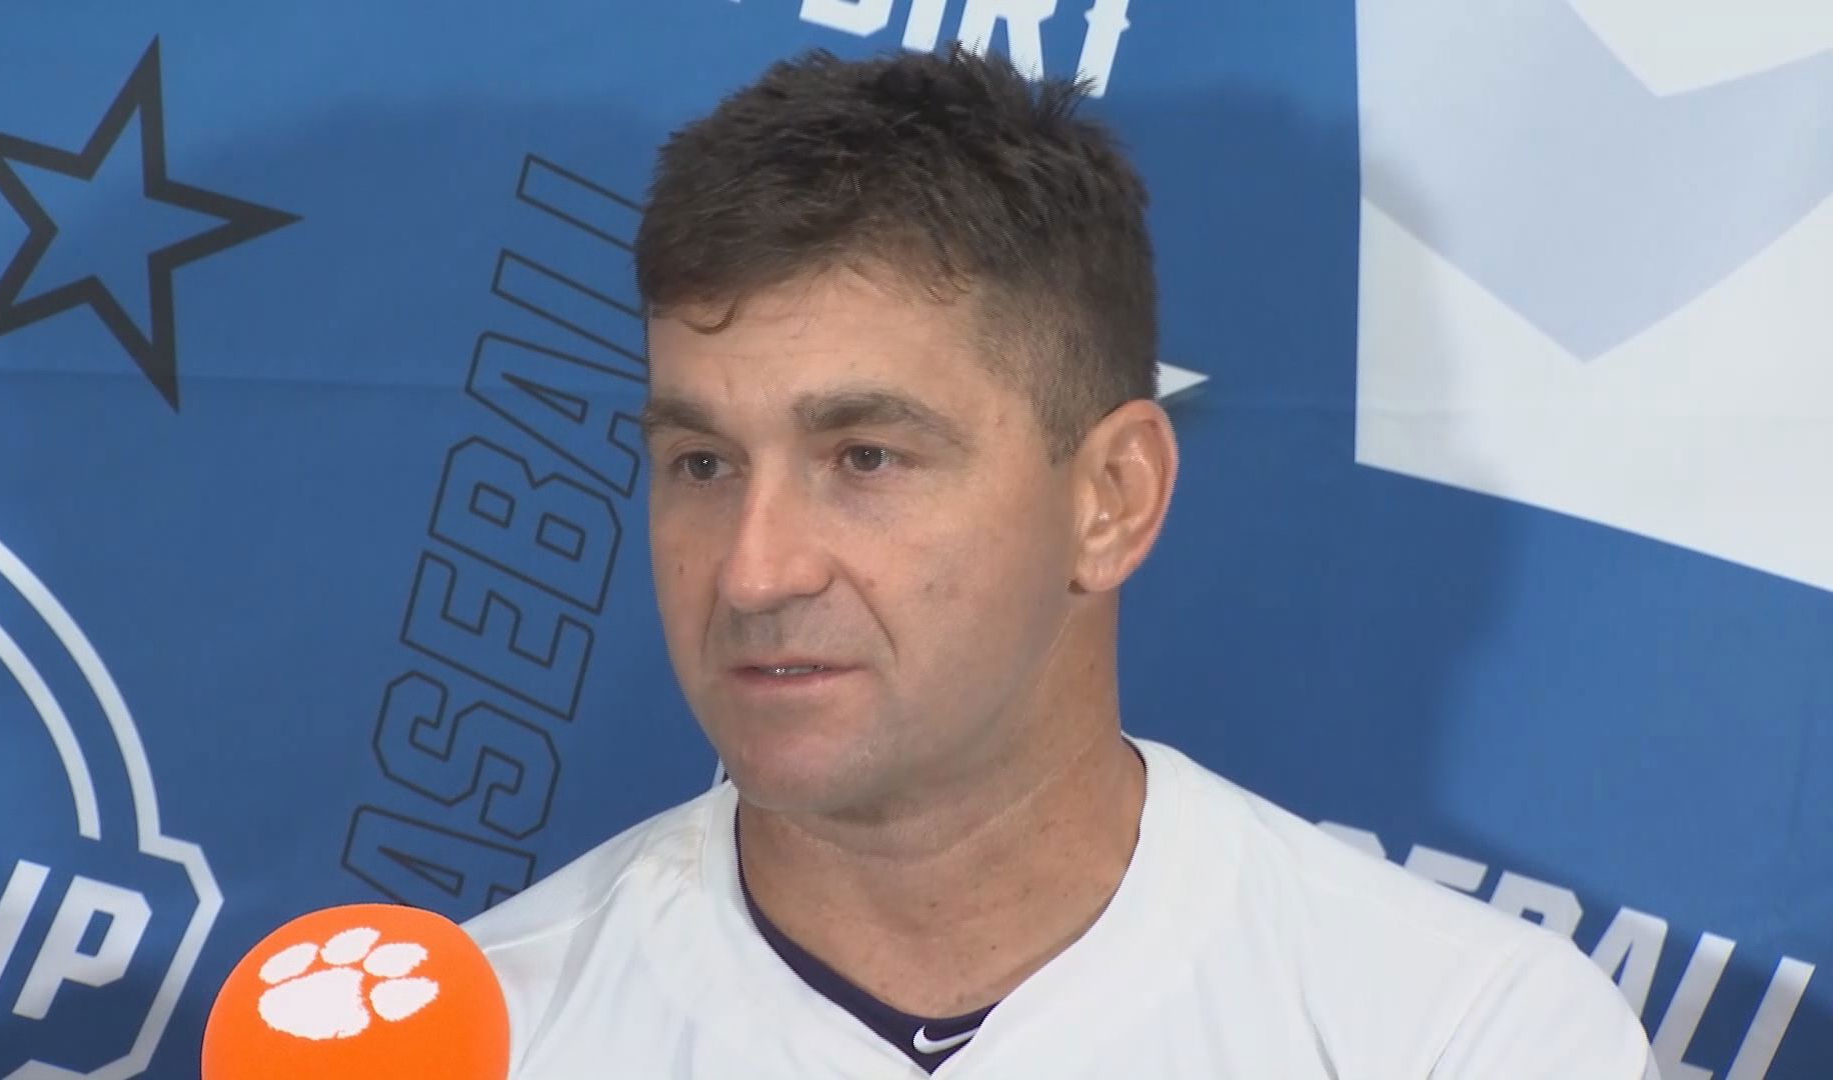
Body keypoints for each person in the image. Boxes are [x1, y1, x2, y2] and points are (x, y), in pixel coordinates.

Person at [463, 43, 1658, 1078]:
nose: (754, 573)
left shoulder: (1461, 1037)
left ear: (1111, 499)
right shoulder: (478, 1036)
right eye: (703, 465)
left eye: (866, 457)